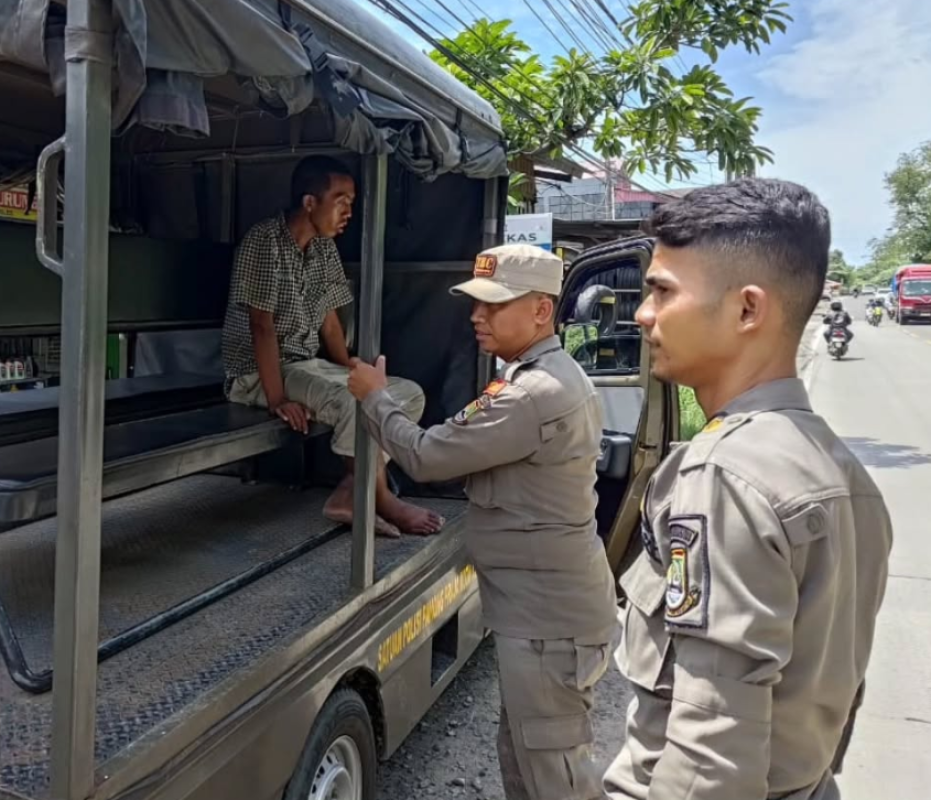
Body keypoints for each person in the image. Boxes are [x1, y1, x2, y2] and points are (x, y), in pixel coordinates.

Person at [603, 179, 892, 800]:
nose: (642, 314)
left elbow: (711, 755)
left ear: (747, 310)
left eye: (662, 291)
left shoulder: (722, 476)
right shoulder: (844, 473)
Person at [348, 244, 617, 800]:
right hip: (542, 618)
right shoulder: (537, 376)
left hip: (549, 625)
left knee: (553, 777)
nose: (477, 315)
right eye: (475, 304)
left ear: (541, 311)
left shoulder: (533, 394)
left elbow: (425, 455)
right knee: (524, 760)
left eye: (494, 305)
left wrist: (375, 400)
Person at [221, 156, 443, 537]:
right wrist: (277, 400)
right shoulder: (264, 241)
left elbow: (329, 320)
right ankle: (380, 498)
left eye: (352, 203)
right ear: (310, 202)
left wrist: (349, 367)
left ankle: (348, 492)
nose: (348, 212)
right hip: (258, 373)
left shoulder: (323, 249)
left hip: (305, 364)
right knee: (356, 402)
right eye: (341, 201)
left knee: (405, 394)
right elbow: (261, 328)